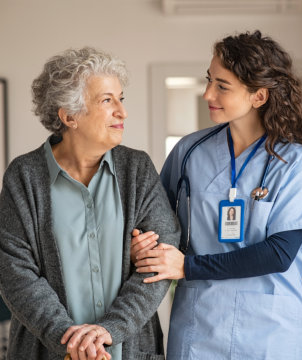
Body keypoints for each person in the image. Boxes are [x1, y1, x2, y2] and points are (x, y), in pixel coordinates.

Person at [131, 30, 302, 359]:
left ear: (258, 96)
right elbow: (157, 223)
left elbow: (278, 254)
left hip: (270, 332)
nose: (208, 93)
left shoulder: (295, 161)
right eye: (209, 80)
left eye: (222, 86)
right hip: (199, 328)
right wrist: (143, 245)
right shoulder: (188, 152)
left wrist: (187, 267)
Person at [0, 47, 180, 360]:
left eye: (121, 99)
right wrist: (70, 342)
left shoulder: (137, 169)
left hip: (131, 351)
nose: (122, 112)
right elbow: (15, 274)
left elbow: (158, 264)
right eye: (107, 100)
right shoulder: (24, 176)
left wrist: (111, 328)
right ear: (69, 116)